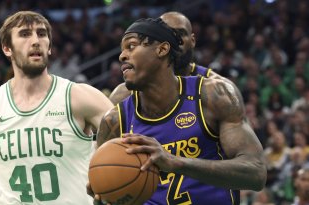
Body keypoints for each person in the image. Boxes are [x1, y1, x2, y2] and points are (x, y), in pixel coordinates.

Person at [0, 11, 113, 205]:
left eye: (41, 34)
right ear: (7, 48)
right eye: (24, 34)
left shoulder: (81, 97)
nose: (36, 40)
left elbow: (131, 142)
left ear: (49, 47)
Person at [89, 17, 266, 205]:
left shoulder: (213, 95)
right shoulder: (116, 119)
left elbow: (256, 172)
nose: (122, 56)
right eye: (122, 49)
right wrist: (103, 195)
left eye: (131, 46)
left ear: (162, 49)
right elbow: (105, 194)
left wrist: (175, 162)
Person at [109, 11, 216, 105]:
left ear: (192, 40)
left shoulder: (216, 91)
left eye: (180, 34)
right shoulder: (122, 97)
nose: (174, 41)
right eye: (166, 34)